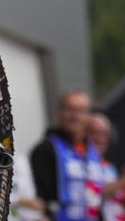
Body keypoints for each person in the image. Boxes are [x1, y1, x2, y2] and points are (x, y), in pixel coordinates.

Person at [31, 90, 105, 221]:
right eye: (70, 109)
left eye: (81, 111)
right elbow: (39, 199)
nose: (75, 116)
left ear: (89, 116)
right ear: (59, 113)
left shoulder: (93, 151)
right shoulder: (45, 150)